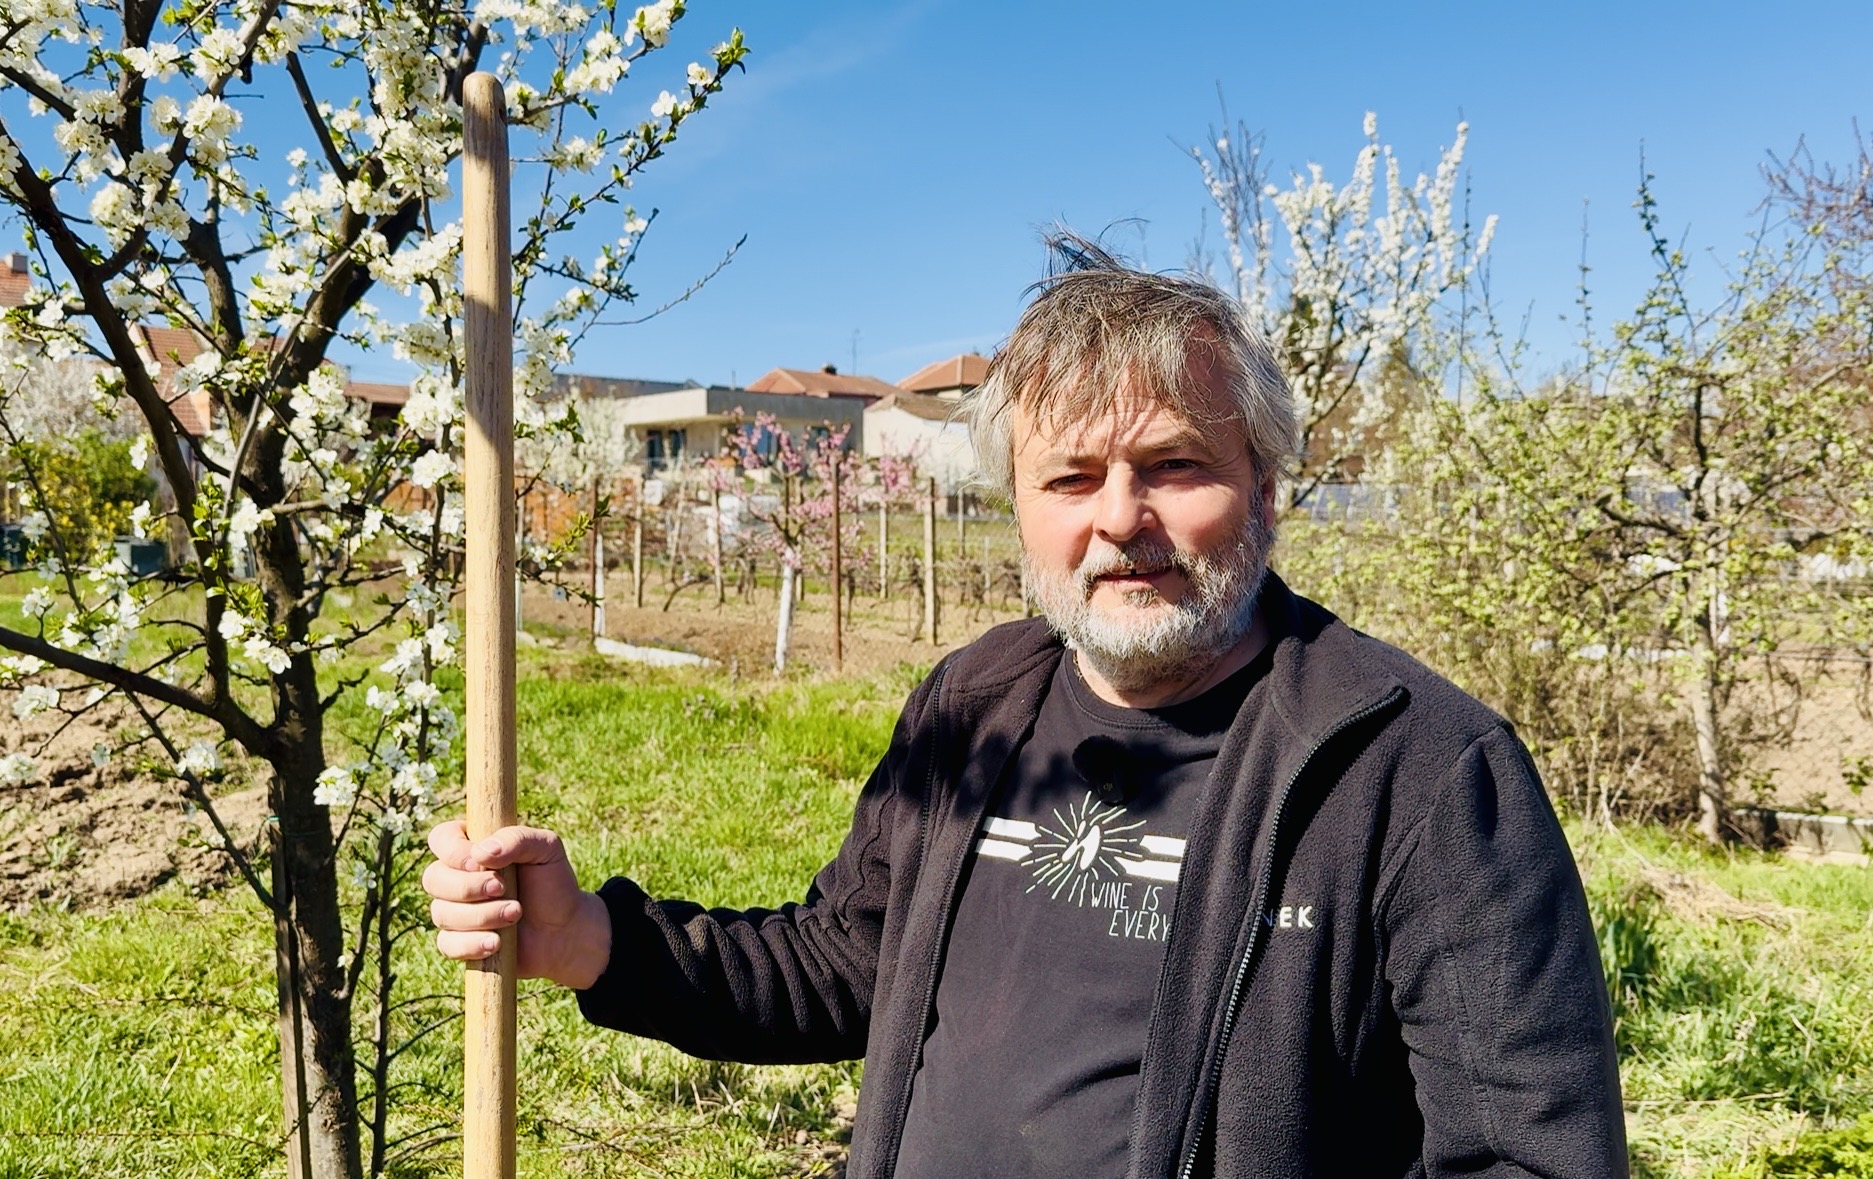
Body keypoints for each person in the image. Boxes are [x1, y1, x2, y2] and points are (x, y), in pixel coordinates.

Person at [422, 238, 1626, 1178]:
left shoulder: (1412, 768)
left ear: (1264, 491)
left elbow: (1529, 1156)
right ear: (1019, 505)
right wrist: (596, 943)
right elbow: (850, 962)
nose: (1119, 518)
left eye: (1173, 465)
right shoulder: (976, 703)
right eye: (1070, 476)